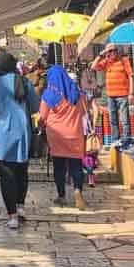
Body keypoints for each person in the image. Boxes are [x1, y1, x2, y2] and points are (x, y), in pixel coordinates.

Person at [0, 51, 39, 229]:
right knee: (22, 171)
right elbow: (35, 106)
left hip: (0, 136)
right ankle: (20, 207)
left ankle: (12, 215)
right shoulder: (24, 81)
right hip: (23, 133)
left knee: (6, 176)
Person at [39, 64, 89, 210]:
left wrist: (42, 124)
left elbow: (42, 116)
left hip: (57, 136)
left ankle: (61, 196)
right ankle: (78, 190)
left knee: (59, 167)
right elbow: (84, 112)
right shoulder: (77, 93)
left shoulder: (49, 94)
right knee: (76, 166)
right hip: (75, 134)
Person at [91, 44, 134, 142]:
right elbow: (93, 67)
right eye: (109, 51)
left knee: (124, 120)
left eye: (114, 50)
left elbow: (131, 76)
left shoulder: (124, 61)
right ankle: (116, 142)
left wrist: (131, 93)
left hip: (123, 95)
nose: (112, 52)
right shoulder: (107, 62)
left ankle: (126, 141)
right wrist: (100, 55)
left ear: (117, 50)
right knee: (113, 121)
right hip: (111, 96)